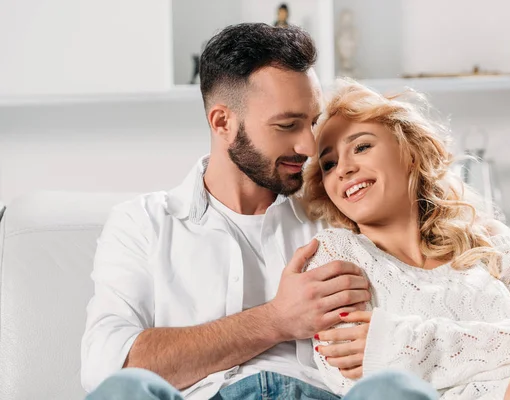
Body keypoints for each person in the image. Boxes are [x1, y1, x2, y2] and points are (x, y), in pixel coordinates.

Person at [81, 24, 439, 400]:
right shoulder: (144, 223)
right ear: (223, 123)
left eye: (312, 121)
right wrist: (275, 320)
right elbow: (105, 366)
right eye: (287, 126)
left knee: (397, 390)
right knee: (124, 390)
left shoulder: (338, 210)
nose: (309, 145)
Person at [301, 79, 510, 399]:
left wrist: (400, 344)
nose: (344, 169)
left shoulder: (491, 239)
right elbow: (355, 383)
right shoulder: (334, 253)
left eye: (361, 147)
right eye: (329, 164)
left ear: (409, 152)